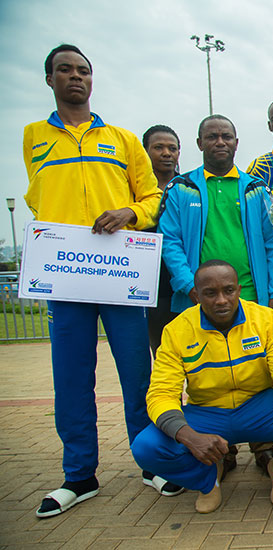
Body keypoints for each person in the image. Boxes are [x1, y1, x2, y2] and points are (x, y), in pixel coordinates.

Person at [23, 44, 170, 518]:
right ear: (49, 79)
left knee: (136, 373)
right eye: (64, 70)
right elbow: (36, 199)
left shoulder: (124, 140)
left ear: (93, 79)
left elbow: (151, 198)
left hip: (118, 274)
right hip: (65, 277)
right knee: (70, 378)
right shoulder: (33, 137)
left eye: (83, 70)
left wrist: (129, 212)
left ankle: (151, 460)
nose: (75, 77)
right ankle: (79, 475)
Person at [131, 261, 273, 513]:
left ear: (239, 289)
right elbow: (161, 393)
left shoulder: (265, 319)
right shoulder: (177, 330)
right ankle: (207, 480)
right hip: (207, 411)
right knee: (145, 447)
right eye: (210, 293)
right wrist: (190, 438)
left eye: (228, 291)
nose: (221, 300)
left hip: (261, 405)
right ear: (196, 295)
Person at [157, 114, 273, 473]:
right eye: (211, 136)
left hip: (252, 298)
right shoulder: (183, 189)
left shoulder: (254, 189)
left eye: (226, 136)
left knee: (259, 371)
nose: (219, 142)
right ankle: (220, 450)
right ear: (199, 143)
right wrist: (190, 287)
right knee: (206, 373)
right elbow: (170, 241)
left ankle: (265, 446)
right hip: (199, 300)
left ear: (236, 142)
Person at [143, 124, 181, 356]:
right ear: (145, 151)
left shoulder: (190, 187)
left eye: (172, 148)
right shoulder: (134, 190)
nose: (166, 153)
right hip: (152, 283)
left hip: (184, 281)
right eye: (158, 147)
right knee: (162, 352)